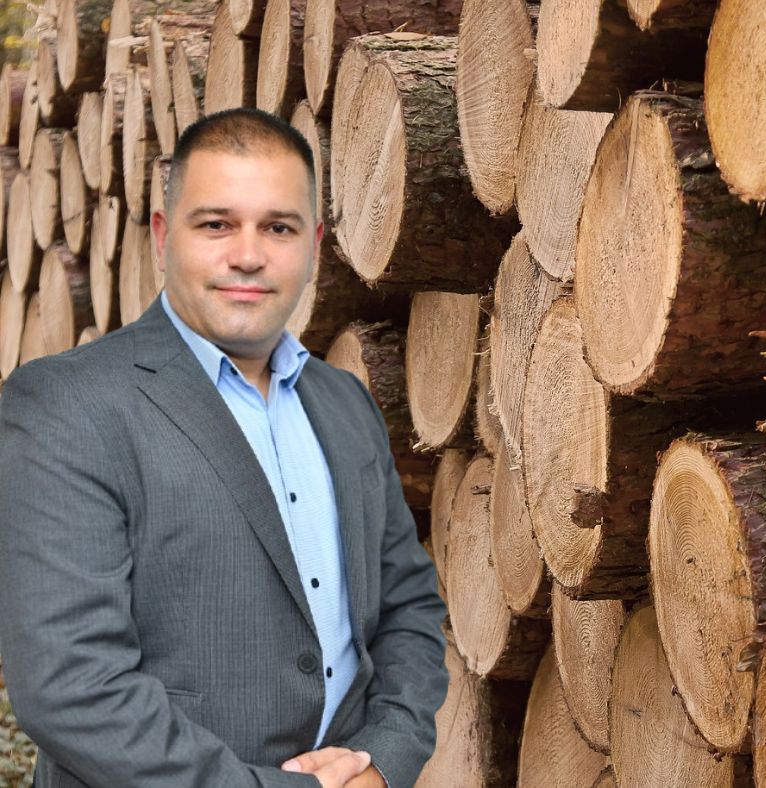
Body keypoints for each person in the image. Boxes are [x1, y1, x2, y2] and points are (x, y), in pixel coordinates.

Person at [0, 108, 448, 787]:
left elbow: (409, 605)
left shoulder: (344, 404)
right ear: (162, 237)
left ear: (314, 247)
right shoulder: (67, 406)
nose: (248, 255)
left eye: (278, 227)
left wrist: (384, 756)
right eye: (216, 224)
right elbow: (73, 686)